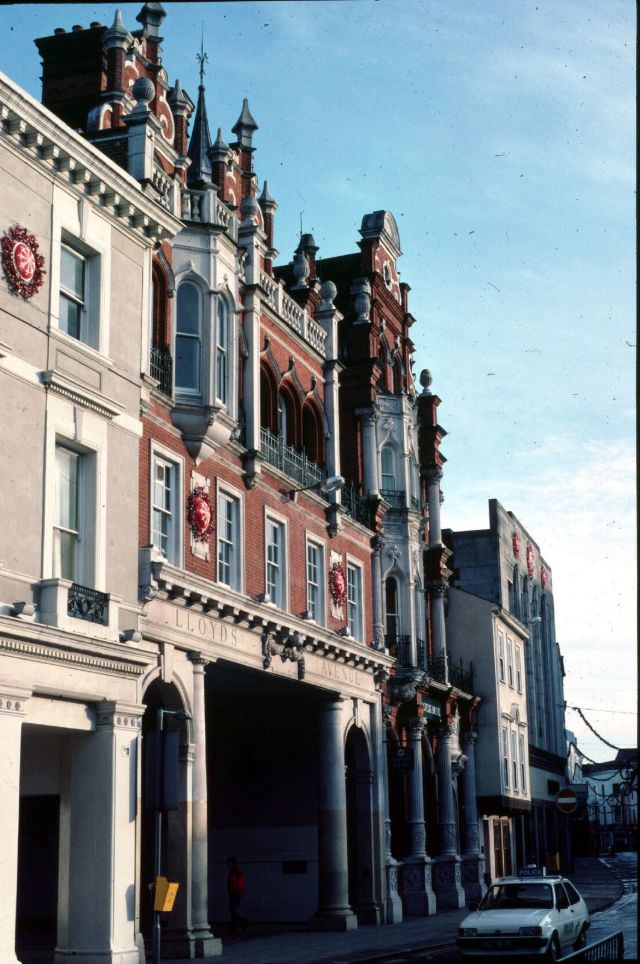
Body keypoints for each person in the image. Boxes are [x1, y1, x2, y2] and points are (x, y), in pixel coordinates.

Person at [227, 856, 248, 931]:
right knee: (232, 909)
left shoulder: (235, 871)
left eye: (229, 862)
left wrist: (232, 891)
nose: (227, 864)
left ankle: (243, 921)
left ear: (232, 863)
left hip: (235, 892)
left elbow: (234, 883)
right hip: (236, 892)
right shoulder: (237, 870)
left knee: (232, 909)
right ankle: (233, 925)